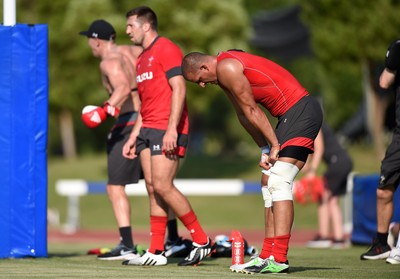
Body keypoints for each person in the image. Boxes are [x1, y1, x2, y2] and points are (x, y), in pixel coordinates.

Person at [182, 50, 323, 274]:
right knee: (267, 181)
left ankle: (280, 258)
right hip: (288, 118)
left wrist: (275, 145)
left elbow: (251, 109)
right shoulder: (222, 75)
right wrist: (265, 148)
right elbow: (242, 115)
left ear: (204, 68)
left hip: (301, 111)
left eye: (199, 80)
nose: (201, 85)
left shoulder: (227, 67)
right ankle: (266, 255)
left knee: (279, 181)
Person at [79, 19, 190, 261]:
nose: (89, 45)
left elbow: (121, 87)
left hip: (130, 121)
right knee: (157, 186)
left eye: (89, 40)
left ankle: (127, 244)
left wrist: (104, 109)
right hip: (151, 118)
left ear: (96, 40)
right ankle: (173, 239)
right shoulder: (138, 50)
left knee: (115, 186)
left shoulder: (108, 61)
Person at [122, 6, 212, 266]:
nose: (127, 30)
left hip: (166, 127)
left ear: (146, 26)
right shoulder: (141, 58)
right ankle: (156, 250)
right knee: (152, 189)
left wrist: (173, 127)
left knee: (162, 185)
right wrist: (133, 136)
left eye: (131, 26)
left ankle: (202, 240)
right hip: (147, 128)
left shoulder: (167, 48)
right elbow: (145, 104)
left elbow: (179, 87)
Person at [360, 39, 400, 265]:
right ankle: (382, 242)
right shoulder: (398, 49)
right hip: (399, 136)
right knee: (383, 190)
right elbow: (384, 81)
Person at [304, 122, 353, 249]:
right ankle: (339, 238)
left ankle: (324, 236)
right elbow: (311, 149)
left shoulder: (316, 123)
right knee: (333, 200)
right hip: (344, 162)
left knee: (322, 196)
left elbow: (319, 149)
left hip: (337, 162)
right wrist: (307, 163)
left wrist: (312, 171)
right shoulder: (316, 125)